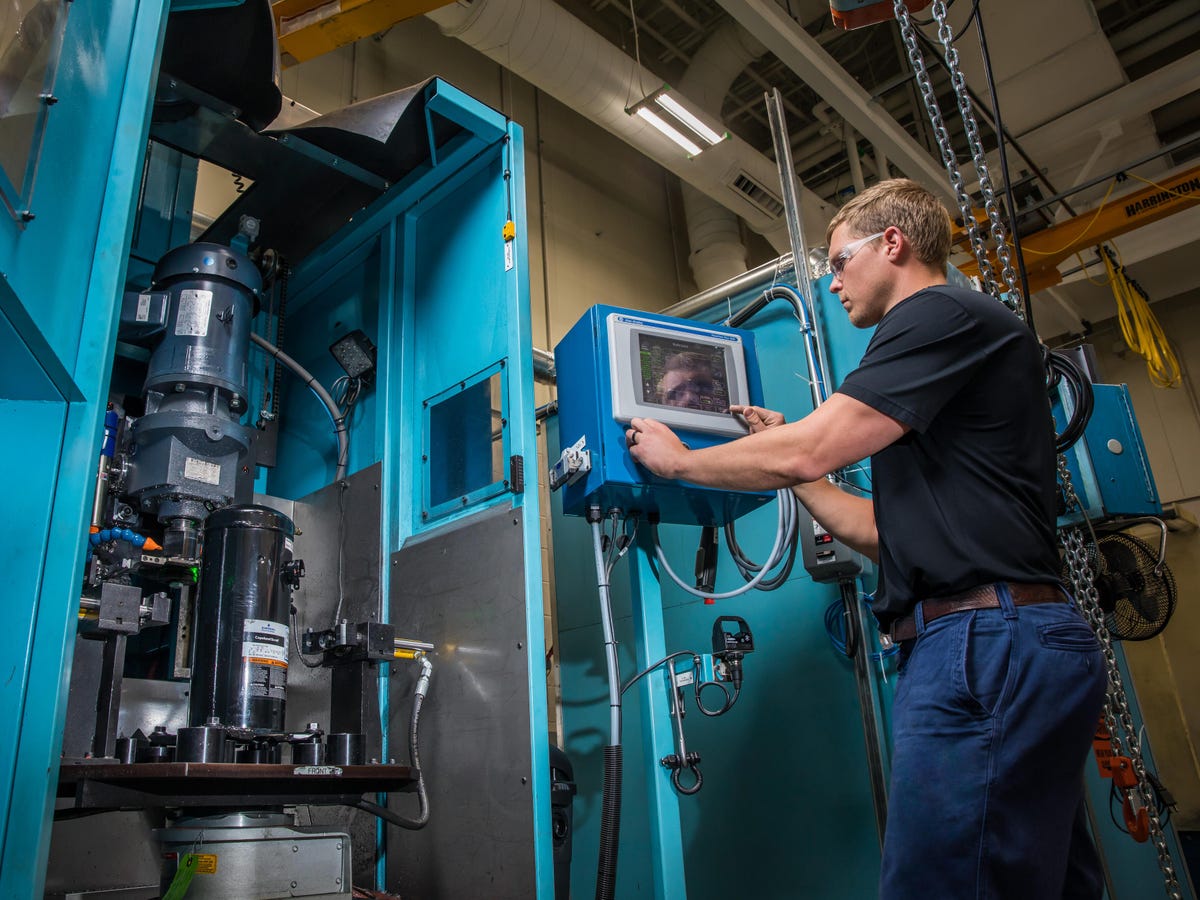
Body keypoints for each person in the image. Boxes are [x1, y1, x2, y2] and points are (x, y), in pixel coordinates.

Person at [625, 178, 1107, 900]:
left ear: (893, 243)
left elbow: (810, 451)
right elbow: (882, 532)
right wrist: (795, 459)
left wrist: (681, 462)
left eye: (838, 259)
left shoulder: (936, 312)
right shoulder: (954, 338)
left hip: (983, 643)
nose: (832, 278)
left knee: (942, 886)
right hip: (1012, 637)